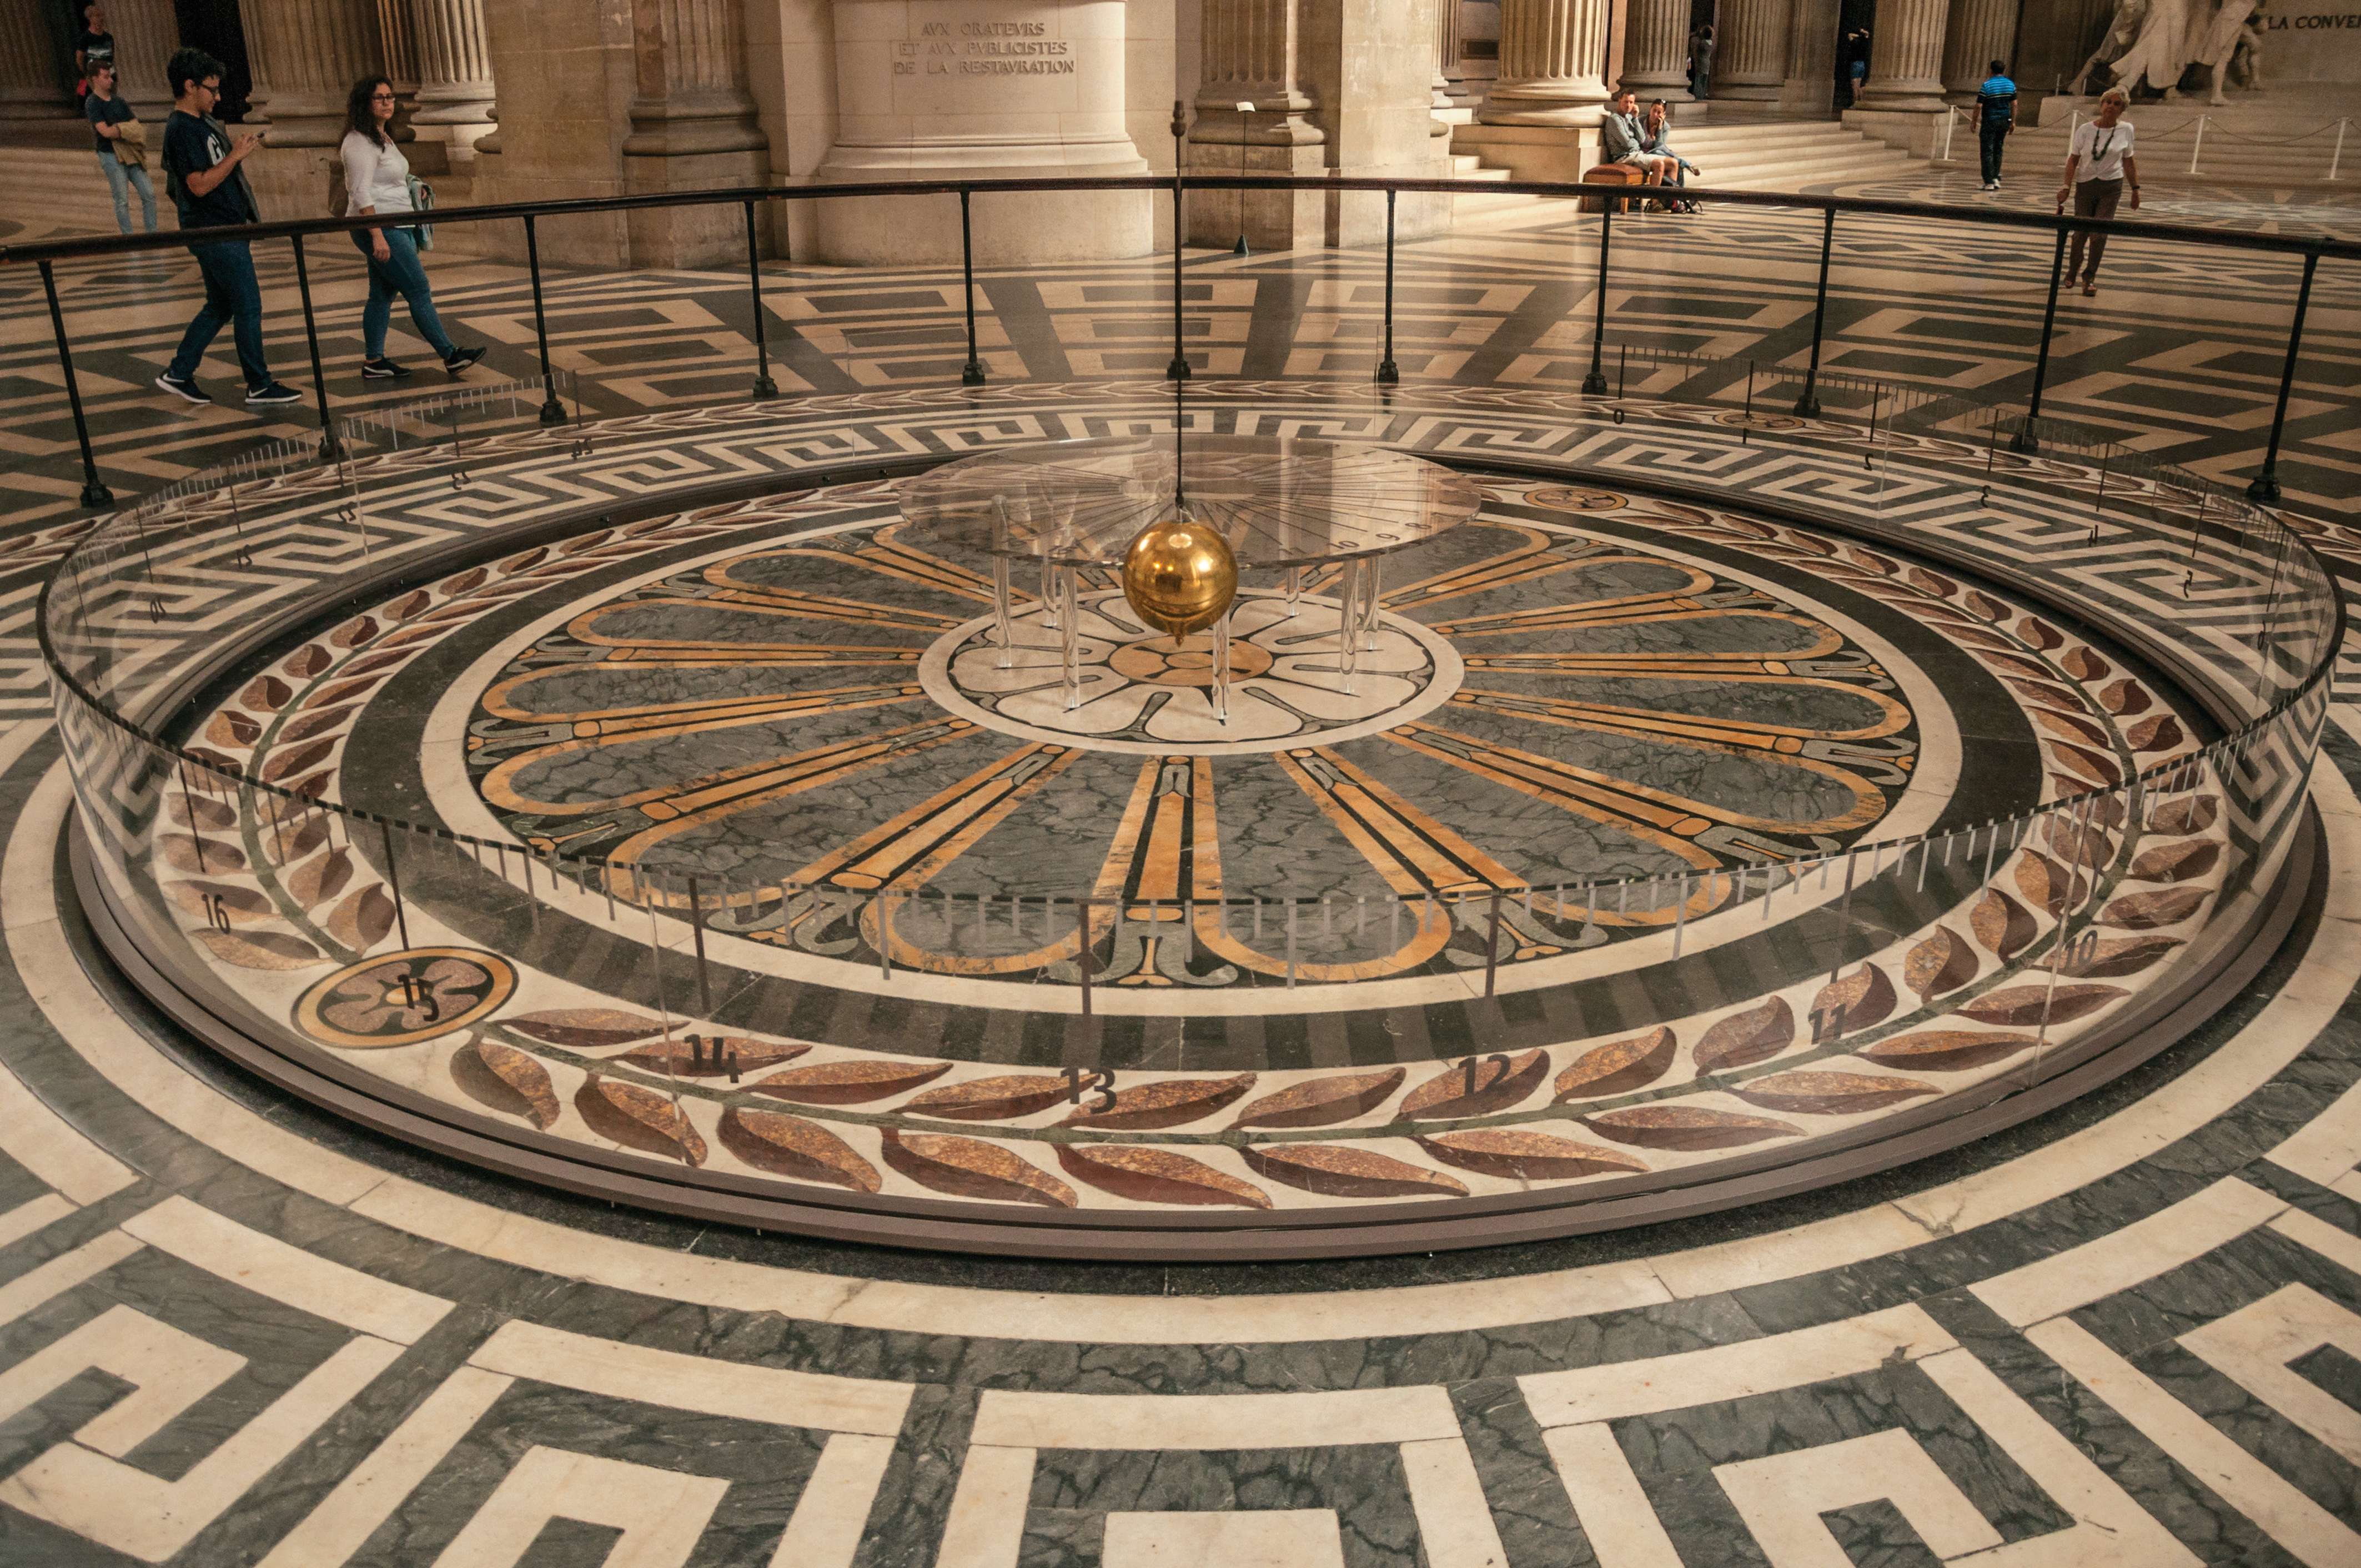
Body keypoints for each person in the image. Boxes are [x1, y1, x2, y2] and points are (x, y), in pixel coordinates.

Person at [155, 48, 301, 408]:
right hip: (215, 232)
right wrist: (235, 156)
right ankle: (259, 384)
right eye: (211, 89)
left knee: (220, 306)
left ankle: (179, 371)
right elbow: (197, 185)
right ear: (189, 86)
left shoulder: (200, 124)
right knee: (248, 306)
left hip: (223, 229)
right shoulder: (182, 129)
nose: (218, 97)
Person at [340, 75, 484, 380]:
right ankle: (450, 355)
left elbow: (390, 179)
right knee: (419, 289)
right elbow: (361, 192)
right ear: (365, 103)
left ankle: (374, 361)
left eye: (390, 97)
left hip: (397, 222)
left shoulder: (383, 137)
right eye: (380, 98)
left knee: (381, 296)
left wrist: (413, 187)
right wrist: (377, 235)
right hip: (383, 227)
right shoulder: (358, 142)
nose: (387, 102)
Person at [2057, 87, 2141, 298]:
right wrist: (2066, 187)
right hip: (2086, 185)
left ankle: (2089, 276)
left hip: (2111, 186)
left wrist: (2135, 189)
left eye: (2117, 104)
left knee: (2099, 234)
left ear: (2123, 109)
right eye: (2108, 102)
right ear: (2101, 104)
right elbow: (2073, 160)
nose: (2111, 106)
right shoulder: (2085, 130)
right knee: (2080, 234)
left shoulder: (2127, 130)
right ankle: (2074, 267)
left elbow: (2128, 161)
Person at [83, 61, 154, 235]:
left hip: (129, 151)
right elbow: (105, 132)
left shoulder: (119, 101)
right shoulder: (93, 103)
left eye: (111, 76)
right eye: (106, 77)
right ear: (95, 79)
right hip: (110, 154)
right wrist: (124, 129)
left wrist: (119, 129)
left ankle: (153, 234)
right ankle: (128, 237)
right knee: (122, 200)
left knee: (149, 195)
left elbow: (136, 125)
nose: (111, 81)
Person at [1599, 90, 1676, 192]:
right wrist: (1636, 143)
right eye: (1626, 102)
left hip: (1636, 154)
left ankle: (1671, 201)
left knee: (1673, 163)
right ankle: (1654, 201)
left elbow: (1642, 139)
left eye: (1631, 102)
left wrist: (1635, 118)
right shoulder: (1615, 120)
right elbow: (1627, 144)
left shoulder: (1630, 117)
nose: (1628, 105)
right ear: (1619, 100)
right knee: (1659, 165)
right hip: (1623, 157)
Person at [1641, 100, 1700, 214]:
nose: (1655, 115)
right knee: (1669, 157)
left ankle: (1674, 200)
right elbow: (1646, 144)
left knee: (1674, 163)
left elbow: (1659, 146)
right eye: (1654, 111)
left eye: (1659, 112)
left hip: (1657, 154)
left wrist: (1659, 129)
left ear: (1664, 115)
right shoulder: (1641, 122)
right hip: (1643, 154)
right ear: (1650, 109)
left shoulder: (1665, 127)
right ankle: (1687, 165)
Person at [1972, 58, 2016, 192]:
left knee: (1987, 151)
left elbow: (1979, 105)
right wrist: (2013, 122)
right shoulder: (2010, 85)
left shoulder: (1987, 85)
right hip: (2004, 120)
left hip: (1990, 121)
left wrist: (1974, 121)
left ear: (1991, 70)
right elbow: (2014, 104)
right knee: (1998, 149)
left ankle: (1989, 181)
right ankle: (1996, 178)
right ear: (2004, 70)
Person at [73, 3, 113, 100]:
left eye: (101, 15)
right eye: (97, 16)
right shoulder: (86, 38)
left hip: (109, 72)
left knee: (111, 98)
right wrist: (87, 74)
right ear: (90, 18)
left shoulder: (108, 37)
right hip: (95, 74)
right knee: (103, 98)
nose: (101, 18)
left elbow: (112, 54)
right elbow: (79, 58)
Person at [1689, 25, 1714, 100]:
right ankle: (1703, 93)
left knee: (1699, 79)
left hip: (1700, 61)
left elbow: (1696, 52)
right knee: (1705, 80)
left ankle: (1698, 94)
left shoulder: (1702, 43)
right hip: (1707, 62)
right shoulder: (1711, 43)